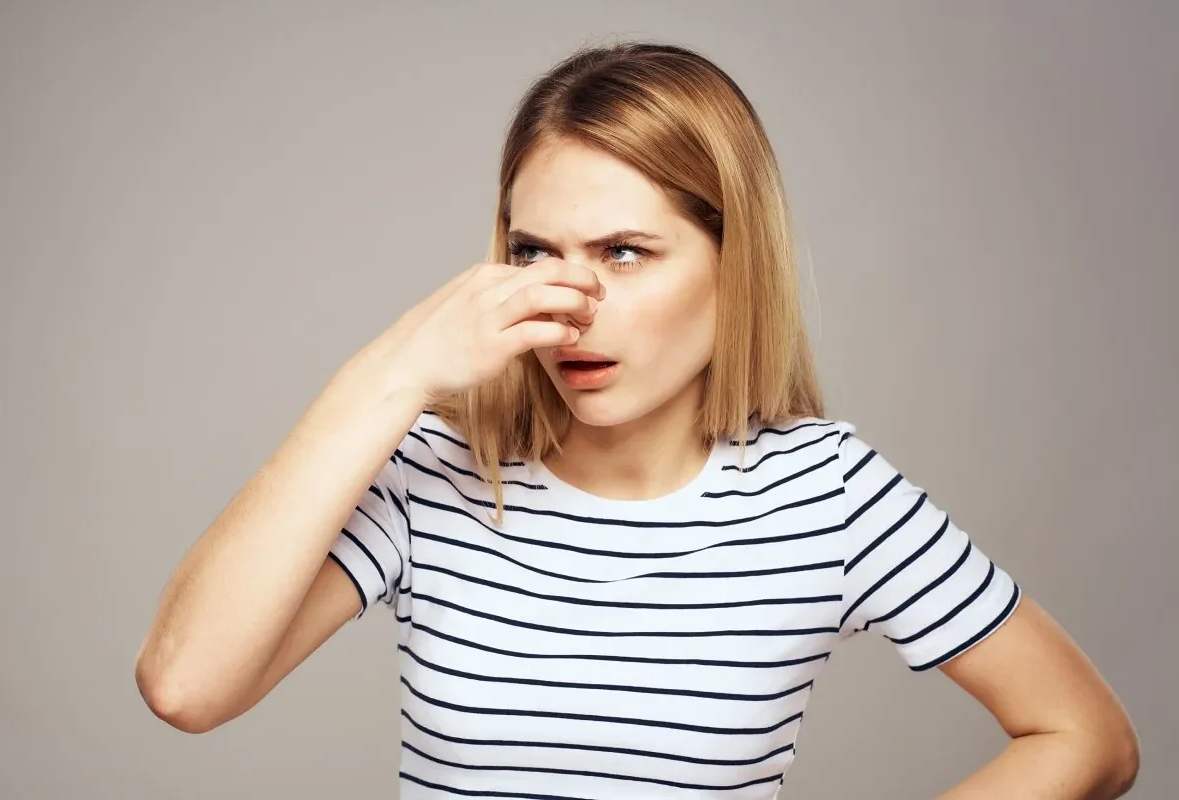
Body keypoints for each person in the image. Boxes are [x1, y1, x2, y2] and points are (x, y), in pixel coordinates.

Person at [135, 41, 1139, 798]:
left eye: (623, 252)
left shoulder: (825, 491)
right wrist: (394, 371)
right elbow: (186, 684)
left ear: (732, 260)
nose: (570, 302)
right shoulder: (436, 470)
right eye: (535, 253)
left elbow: (1084, 735)